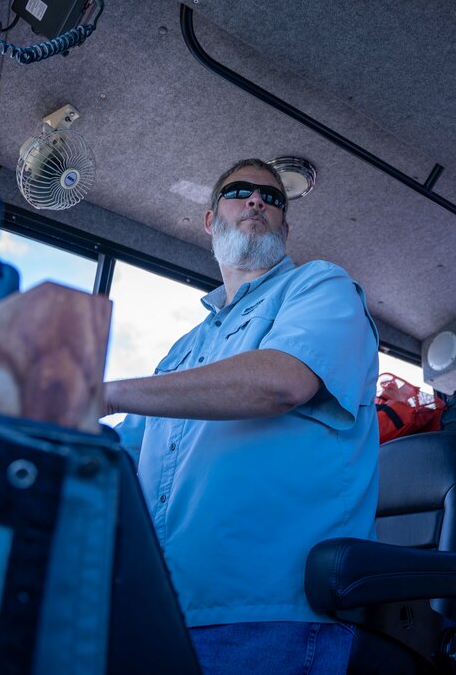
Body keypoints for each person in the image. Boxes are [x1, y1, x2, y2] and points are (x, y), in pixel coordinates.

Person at [104, 159, 380, 674]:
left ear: (285, 227)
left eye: (273, 198)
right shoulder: (186, 348)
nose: (258, 201)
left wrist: (108, 392)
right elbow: (125, 448)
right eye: (240, 191)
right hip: (162, 610)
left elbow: (283, 380)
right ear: (210, 220)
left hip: (271, 615)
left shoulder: (319, 286)